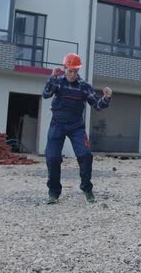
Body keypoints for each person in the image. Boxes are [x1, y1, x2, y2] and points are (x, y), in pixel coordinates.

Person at [42, 53, 112, 204]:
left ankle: (87, 188)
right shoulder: (58, 82)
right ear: (65, 68)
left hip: (76, 126)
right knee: (52, 158)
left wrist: (106, 98)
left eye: (75, 71)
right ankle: (53, 193)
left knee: (86, 155)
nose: (73, 74)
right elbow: (46, 94)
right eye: (70, 71)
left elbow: (97, 106)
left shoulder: (84, 86)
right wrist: (52, 78)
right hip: (58, 124)